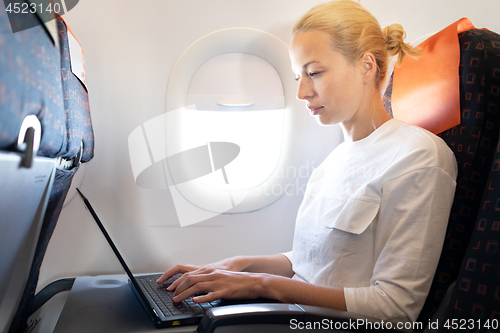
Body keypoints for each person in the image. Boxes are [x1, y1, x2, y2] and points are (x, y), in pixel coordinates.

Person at [157, 0, 457, 324]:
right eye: (298, 75)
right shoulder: (335, 160)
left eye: (314, 72)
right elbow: (311, 264)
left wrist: (262, 285)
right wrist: (240, 266)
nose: (301, 92)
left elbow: (394, 308)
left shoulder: (418, 157)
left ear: (366, 66)